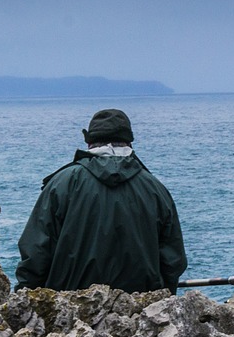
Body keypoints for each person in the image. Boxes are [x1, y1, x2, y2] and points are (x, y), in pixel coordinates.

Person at [16, 108, 187, 293]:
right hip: (141, 310)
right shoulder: (155, 189)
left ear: (89, 143)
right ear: (129, 142)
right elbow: (173, 260)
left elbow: (36, 252)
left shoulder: (62, 184)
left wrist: (26, 297)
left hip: (69, 309)